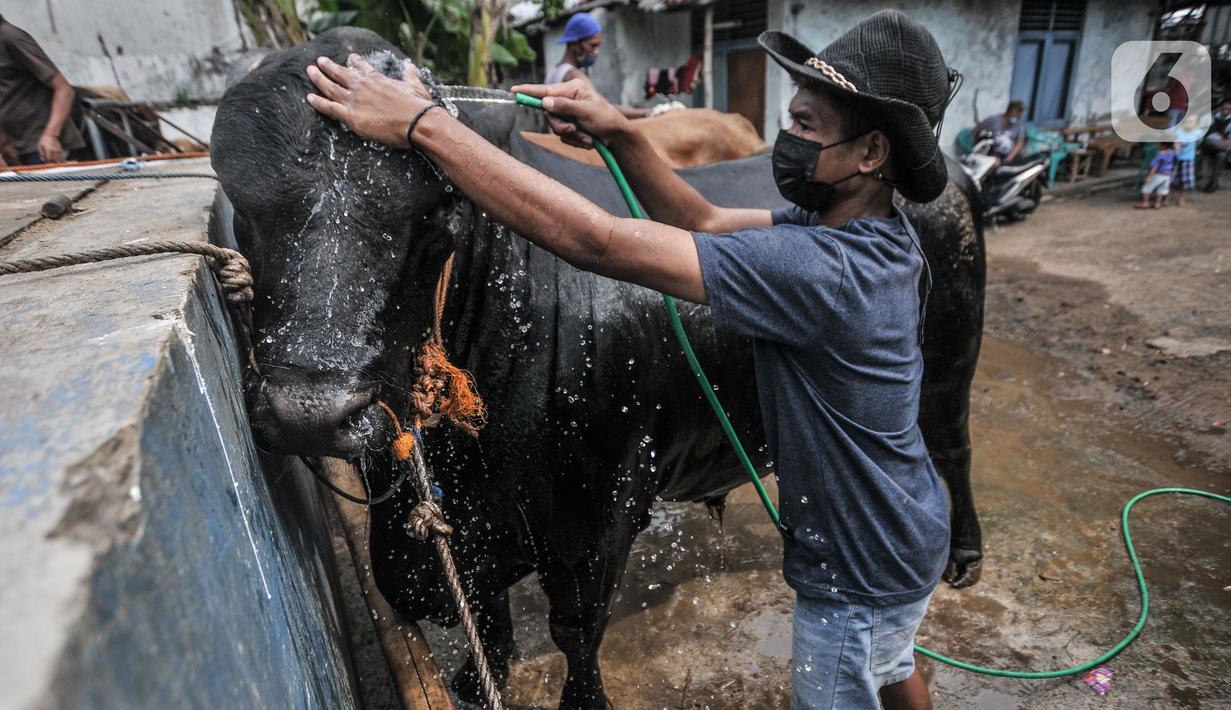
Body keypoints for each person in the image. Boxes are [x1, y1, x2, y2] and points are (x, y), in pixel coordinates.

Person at [305, 10, 953, 709]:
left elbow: (603, 244)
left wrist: (425, 127)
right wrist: (621, 130)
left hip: (854, 564)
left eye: (805, 127)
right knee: (888, 665)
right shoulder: (862, 229)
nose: (785, 141)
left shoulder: (822, 271)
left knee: (837, 685)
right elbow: (700, 220)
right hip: (904, 530)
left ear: (870, 153)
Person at [0, 14, 86, 165]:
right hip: (16, 148)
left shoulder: (11, 38)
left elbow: (64, 89)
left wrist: (51, 135)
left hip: (44, 148)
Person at [545, 12, 647, 119]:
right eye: (593, 46)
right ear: (574, 44)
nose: (596, 52)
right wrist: (647, 113)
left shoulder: (553, 72)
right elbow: (603, 109)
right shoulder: (576, 76)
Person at [1172, 114, 1203, 206]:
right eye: (1187, 121)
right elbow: (1175, 142)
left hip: (1189, 159)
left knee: (1185, 181)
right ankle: (1166, 198)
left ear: (1196, 124)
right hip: (1176, 158)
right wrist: (1177, 150)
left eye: (1191, 122)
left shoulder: (1198, 133)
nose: (1188, 123)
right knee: (1171, 178)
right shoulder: (1178, 132)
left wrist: (1198, 150)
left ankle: (1181, 198)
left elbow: (1200, 144)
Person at [1200, 99, 1230, 193]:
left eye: (1229, 109)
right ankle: (1226, 151)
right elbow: (1202, 133)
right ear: (1220, 108)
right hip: (1206, 146)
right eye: (1224, 108)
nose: (1226, 110)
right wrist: (1219, 139)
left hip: (1220, 148)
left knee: (1221, 155)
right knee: (1209, 141)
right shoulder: (1209, 117)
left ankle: (1212, 185)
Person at [1137, 141, 1176, 209]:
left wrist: (1149, 176)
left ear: (1163, 145)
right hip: (1167, 175)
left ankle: (1145, 203)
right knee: (1161, 190)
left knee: (1147, 188)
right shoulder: (1173, 153)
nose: (1158, 145)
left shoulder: (1160, 154)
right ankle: (1157, 204)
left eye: (1159, 144)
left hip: (1158, 175)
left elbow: (1155, 167)